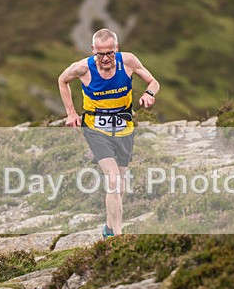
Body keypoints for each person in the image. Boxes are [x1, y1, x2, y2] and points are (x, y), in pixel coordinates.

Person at [58, 28, 161, 238]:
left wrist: (149, 93)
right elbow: (62, 80)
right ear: (93, 50)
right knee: (113, 179)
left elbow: (154, 81)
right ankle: (118, 237)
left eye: (109, 53)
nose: (105, 58)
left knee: (119, 185)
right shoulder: (82, 68)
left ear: (117, 48)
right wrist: (71, 113)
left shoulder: (129, 61)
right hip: (95, 128)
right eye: (100, 54)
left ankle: (108, 227)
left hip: (124, 127)